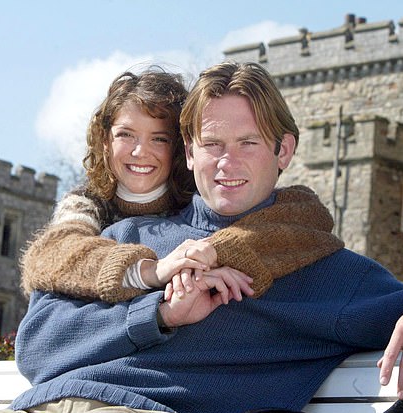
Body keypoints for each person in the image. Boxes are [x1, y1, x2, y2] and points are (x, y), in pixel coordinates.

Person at [0, 62, 403, 413]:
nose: (227, 162)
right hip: (41, 412)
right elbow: (36, 348)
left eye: (248, 143)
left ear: (284, 151)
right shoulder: (129, 240)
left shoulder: (314, 265)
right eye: (212, 144)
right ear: (189, 154)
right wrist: (159, 316)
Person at [20, 67, 343, 303]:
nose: (139, 151)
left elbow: (302, 216)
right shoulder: (90, 203)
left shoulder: (201, 198)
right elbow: (49, 257)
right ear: (104, 141)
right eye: (125, 135)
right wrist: (150, 271)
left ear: (181, 148)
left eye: (158, 139)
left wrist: (213, 253)